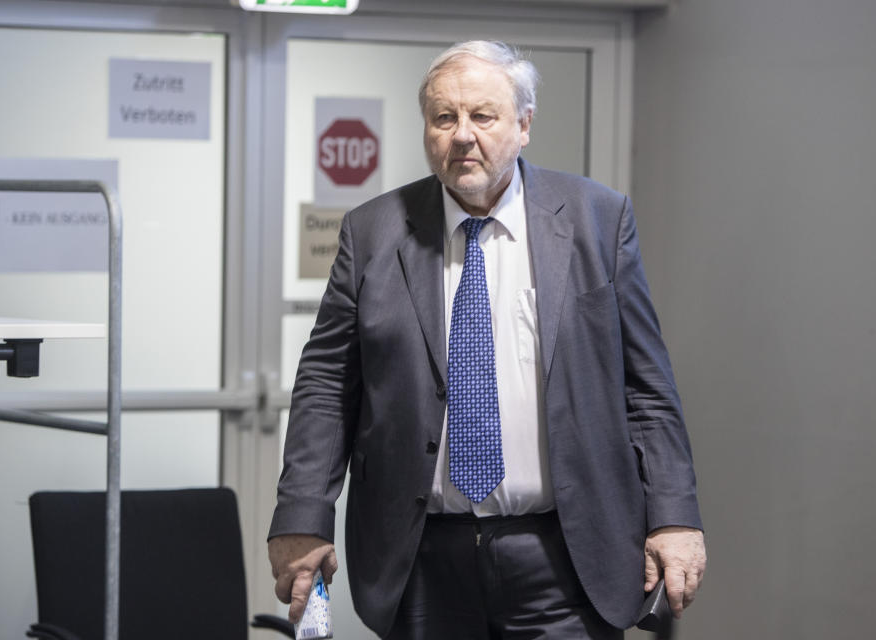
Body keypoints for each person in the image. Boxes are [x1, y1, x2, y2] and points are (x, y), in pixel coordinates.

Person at [268, 40, 706, 639]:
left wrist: (674, 516)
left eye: (483, 115)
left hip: (565, 556)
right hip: (420, 558)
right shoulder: (372, 233)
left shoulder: (596, 220)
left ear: (523, 125)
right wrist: (302, 513)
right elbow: (325, 385)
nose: (462, 135)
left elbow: (647, 387)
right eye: (444, 117)